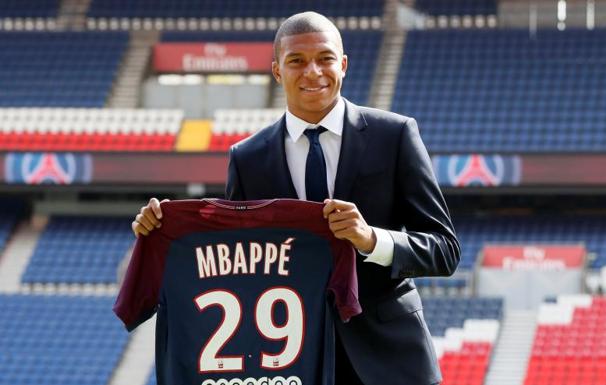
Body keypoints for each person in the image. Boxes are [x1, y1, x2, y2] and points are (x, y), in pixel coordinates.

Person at [132, 12, 460, 385]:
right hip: (291, 364)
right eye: (297, 61)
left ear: (344, 64)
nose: (313, 72)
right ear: (276, 71)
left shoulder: (395, 135)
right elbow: (238, 265)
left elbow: (444, 250)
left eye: (325, 59)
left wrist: (371, 239)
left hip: (389, 360)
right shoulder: (248, 157)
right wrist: (159, 230)